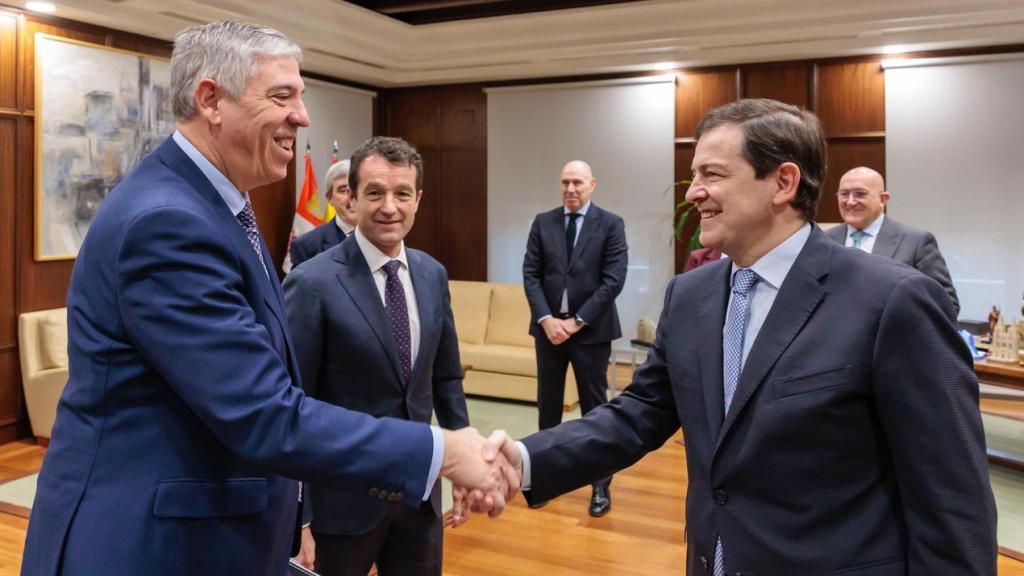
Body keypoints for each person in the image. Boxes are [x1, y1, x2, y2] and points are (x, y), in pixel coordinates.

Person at [22, 20, 510, 576]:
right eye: (282, 96)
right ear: (211, 99)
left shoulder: (215, 207)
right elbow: (262, 411)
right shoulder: (168, 223)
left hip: (211, 533)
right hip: (147, 545)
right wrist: (441, 452)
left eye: (299, 98)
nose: (301, 117)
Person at [485, 99, 997, 574]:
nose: (692, 193)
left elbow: (953, 503)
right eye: (692, 176)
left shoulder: (893, 301)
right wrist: (524, 460)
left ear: (782, 182)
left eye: (712, 174)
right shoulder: (689, 295)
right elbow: (637, 414)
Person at [283, 137, 468, 576]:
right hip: (341, 506)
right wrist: (301, 517)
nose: (390, 207)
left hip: (418, 495)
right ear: (350, 195)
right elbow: (292, 403)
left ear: (418, 199)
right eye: (375, 193)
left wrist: (465, 464)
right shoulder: (312, 283)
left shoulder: (431, 273)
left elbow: (444, 379)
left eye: (402, 193)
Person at [522, 160, 627, 517]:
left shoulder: (611, 224)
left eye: (577, 182)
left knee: (596, 410)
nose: (570, 189)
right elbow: (531, 274)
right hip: (548, 332)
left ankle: (600, 486)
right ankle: (543, 481)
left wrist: (578, 321)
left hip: (591, 334)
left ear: (592, 185)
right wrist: (547, 319)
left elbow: (613, 280)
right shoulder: (543, 222)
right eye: (565, 181)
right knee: (547, 408)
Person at [827, 166, 960, 315]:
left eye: (860, 194)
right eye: (844, 194)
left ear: (883, 199)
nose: (850, 201)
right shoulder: (825, 241)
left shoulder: (916, 242)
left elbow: (947, 305)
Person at [290, 159, 358, 268]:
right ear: (329, 198)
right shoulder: (306, 247)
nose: (352, 197)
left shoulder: (386, 236)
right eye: (343, 190)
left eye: (356, 188)